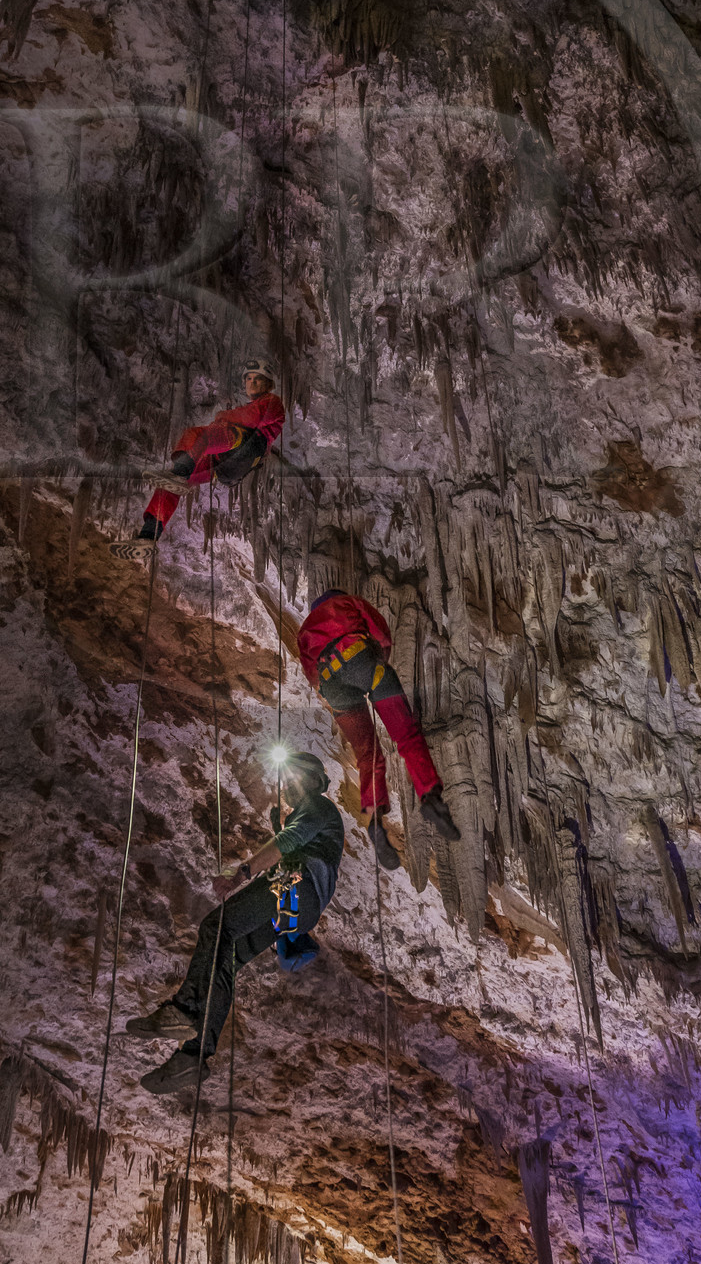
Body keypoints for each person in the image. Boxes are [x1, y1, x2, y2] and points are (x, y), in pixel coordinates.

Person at [126, 750, 342, 1097]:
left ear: (314, 782)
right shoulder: (311, 816)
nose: (287, 785)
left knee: (216, 928)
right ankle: (193, 1056)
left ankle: (181, 1011)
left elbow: (288, 843)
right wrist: (279, 826)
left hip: (294, 885)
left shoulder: (319, 807)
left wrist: (242, 872)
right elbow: (292, 839)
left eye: (294, 778)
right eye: (287, 779)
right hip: (299, 907)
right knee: (226, 958)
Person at [298, 588, 461, 872]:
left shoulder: (305, 632)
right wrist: (380, 658)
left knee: (367, 755)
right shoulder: (346, 602)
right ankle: (430, 797)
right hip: (359, 658)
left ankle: (374, 820)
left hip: (331, 684)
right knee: (406, 734)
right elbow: (380, 631)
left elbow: (311, 675)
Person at [124, 365, 285, 550]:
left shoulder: (273, 402)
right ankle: (149, 533)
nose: (252, 382)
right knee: (171, 484)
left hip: (246, 449)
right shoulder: (257, 404)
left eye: (258, 379)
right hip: (223, 466)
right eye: (249, 379)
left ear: (268, 384)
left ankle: (181, 470)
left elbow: (250, 417)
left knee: (202, 435)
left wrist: (223, 415)